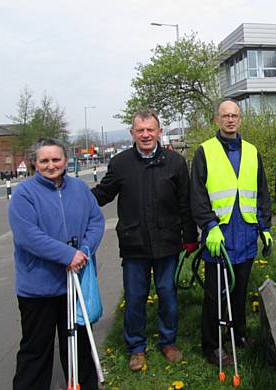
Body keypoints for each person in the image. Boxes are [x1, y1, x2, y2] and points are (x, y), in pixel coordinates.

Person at [92, 109, 197, 371]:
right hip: (134, 244)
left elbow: (185, 203)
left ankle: (168, 342)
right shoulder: (120, 164)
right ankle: (136, 347)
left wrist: (190, 237)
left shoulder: (175, 162)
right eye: (140, 130)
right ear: (132, 133)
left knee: (167, 295)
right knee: (136, 297)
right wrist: (72, 197)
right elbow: (102, 194)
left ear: (159, 131)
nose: (146, 134)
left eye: (151, 129)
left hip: (168, 243)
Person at [8, 138, 105, 390]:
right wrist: (66, 255)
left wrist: (83, 251)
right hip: (38, 286)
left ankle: (84, 384)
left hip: (76, 283)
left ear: (65, 160)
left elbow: (96, 221)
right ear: (35, 163)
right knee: (36, 347)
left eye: (56, 159)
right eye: (44, 160)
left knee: (79, 344)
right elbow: (28, 235)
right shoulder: (23, 194)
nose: (51, 165)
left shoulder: (80, 188)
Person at [190, 99, 272, 366]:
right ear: (217, 120)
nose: (230, 120)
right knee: (215, 294)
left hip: (246, 233)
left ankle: (238, 335)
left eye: (235, 115)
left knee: (239, 291)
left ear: (240, 119)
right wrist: (209, 227)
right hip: (219, 237)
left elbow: (261, 192)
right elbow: (198, 195)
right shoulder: (205, 151)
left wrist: (265, 227)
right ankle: (212, 345)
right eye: (225, 115)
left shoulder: (252, 151)